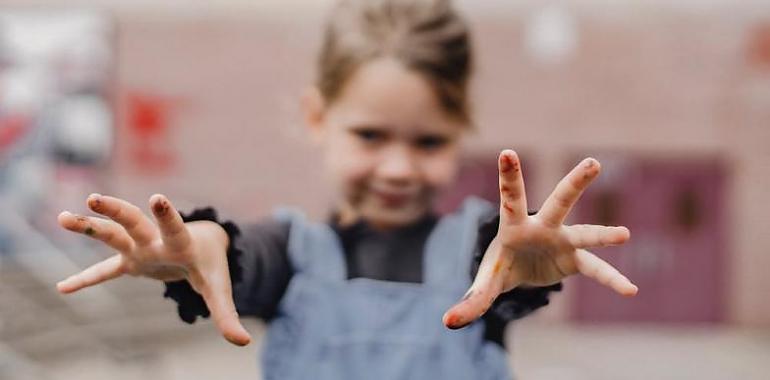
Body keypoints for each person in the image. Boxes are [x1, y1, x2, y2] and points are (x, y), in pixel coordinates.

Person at [55, 0, 637, 378]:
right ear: (317, 117)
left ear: (462, 132)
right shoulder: (287, 255)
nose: (398, 168)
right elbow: (240, 255)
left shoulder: (480, 258)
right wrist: (199, 247)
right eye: (370, 136)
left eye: (428, 142)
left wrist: (529, 262)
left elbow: (505, 265)